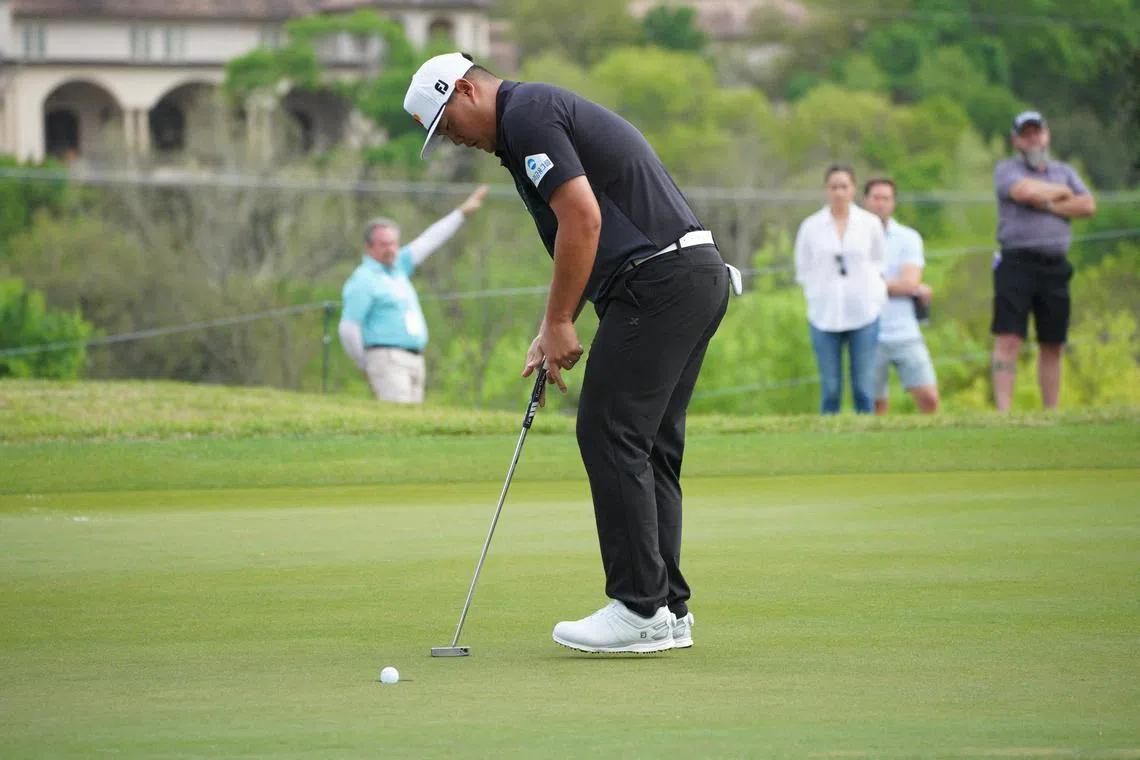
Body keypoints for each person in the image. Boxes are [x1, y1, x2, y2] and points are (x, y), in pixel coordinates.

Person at [403, 52, 738, 653]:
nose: (453, 141)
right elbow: (589, 233)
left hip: (658, 283)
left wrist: (560, 318)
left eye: (446, 125)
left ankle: (639, 608)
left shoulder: (527, 115)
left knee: (609, 433)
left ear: (463, 92)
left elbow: (581, 219)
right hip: (689, 275)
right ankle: (666, 608)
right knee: (648, 444)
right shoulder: (531, 117)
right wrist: (553, 321)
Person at [338, 185, 489, 403]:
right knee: (397, 423)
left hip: (414, 358)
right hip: (385, 358)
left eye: (393, 243)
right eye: (383, 245)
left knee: (413, 422)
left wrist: (461, 213)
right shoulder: (363, 279)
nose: (391, 249)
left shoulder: (398, 266)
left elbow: (429, 240)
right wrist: (366, 363)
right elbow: (348, 328)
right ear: (369, 248)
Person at [992, 110, 1096, 411]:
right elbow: (1022, 191)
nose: (1033, 138)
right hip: (1016, 264)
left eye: (1037, 132)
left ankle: (1051, 411)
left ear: (1046, 135)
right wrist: (1062, 195)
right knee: (1009, 337)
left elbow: (1087, 204)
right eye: (1026, 134)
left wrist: (1047, 201)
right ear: (1016, 140)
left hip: (1054, 267)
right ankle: (1004, 413)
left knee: (1052, 342)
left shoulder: (1063, 170)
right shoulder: (1007, 170)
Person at [793, 164, 887, 414]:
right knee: (831, 389)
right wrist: (816, 293)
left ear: (853, 189)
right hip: (824, 315)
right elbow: (803, 269)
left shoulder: (870, 224)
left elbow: (879, 262)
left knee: (864, 388)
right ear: (826, 190)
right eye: (833, 187)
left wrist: (875, 297)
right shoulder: (811, 226)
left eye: (844, 186)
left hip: (864, 313)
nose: (839, 192)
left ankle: (866, 443)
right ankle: (827, 443)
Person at [862, 177, 939, 414]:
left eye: (886, 198)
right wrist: (900, 285)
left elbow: (910, 282)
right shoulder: (855, 237)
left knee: (929, 398)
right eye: (876, 198)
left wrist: (873, 283)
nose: (880, 204)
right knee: (876, 405)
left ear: (893, 203)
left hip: (905, 331)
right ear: (866, 201)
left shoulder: (908, 237)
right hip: (868, 331)